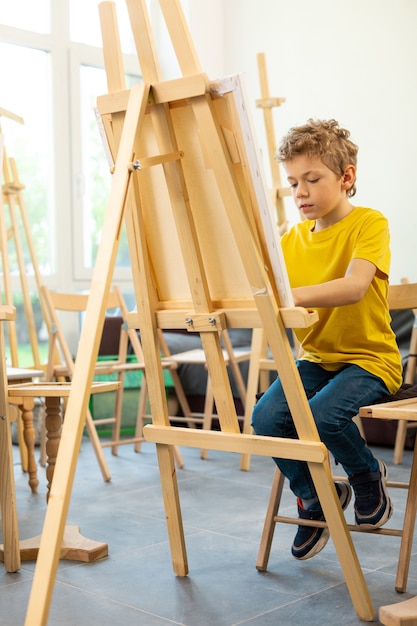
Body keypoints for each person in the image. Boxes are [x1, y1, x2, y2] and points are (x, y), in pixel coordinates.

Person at [251, 118, 403, 561]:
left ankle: (365, 474)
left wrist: (288, 294)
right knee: (266, 419)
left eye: (312, 179)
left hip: (370, 361)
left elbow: (355, 286)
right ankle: (317, 496)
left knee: (319, 417)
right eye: (293, 182)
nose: (300, 192)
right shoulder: (290, 241)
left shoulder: (369, 224)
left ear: (347, 177)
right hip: (318, 358)